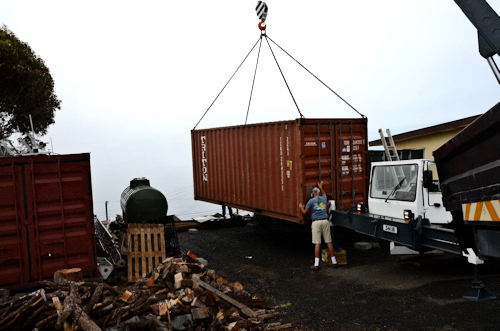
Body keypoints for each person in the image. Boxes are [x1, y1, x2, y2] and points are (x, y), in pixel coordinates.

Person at [299, 181, 337, 270]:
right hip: (325, 221)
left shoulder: (311, 201)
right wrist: (321, 186)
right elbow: (324, 193)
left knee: (317, 243)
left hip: (316, 222)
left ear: (313, 194)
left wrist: (301, 207)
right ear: (319, 193)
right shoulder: (324, 198)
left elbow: (305, 212)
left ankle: (316, 264)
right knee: (329, 242)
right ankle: (334, 261)